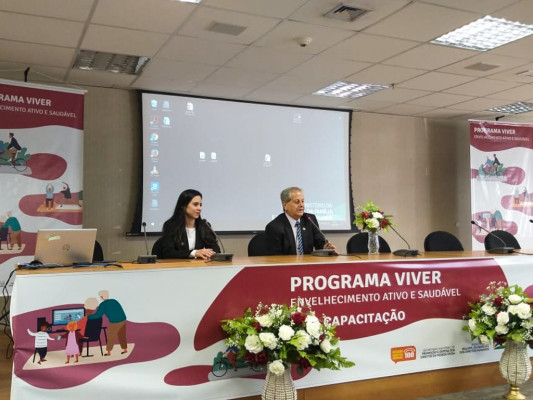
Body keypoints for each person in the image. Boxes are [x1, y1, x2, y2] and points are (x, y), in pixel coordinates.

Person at [264, 187, 336, 255]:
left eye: (302, 201)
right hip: (287, 263)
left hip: (307, 263)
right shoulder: (274, 227)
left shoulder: (310, 219)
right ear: (285, 205)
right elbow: (275, 256)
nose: (301, 205)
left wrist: (325, 247)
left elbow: (319, 242)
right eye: (297, 202)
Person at [159, 189, 220, 259]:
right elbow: (168, 253)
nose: (199, 208)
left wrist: (211, 253)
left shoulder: (204, 225)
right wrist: (194, 253)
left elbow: (215, 249)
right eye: (195, 204)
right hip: (178, 265)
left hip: (199, 265)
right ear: (183, 206)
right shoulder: (170, 226)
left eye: (200, 205)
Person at [87, 289, 128, 356]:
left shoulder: (103, 304)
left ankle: (109, 352)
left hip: (115, 322)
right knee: (122, 335)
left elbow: (97, 315)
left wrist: (87, 317)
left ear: (101, 297)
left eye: (100, 296)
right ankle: (125, 349)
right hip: (123, 319)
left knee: (111, 336)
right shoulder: (114, 301)